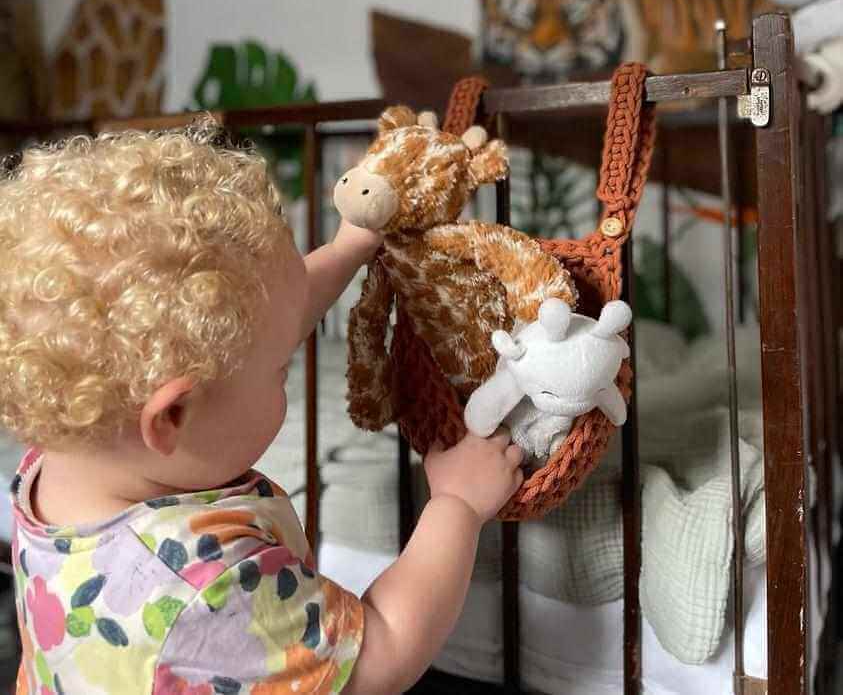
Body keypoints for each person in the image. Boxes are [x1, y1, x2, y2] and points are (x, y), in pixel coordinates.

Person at [0, 119, 524, 694]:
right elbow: (382, 651)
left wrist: (351, 246)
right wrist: (456, 505)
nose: (288, 363)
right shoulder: (209, 586)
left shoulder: (67, 451)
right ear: (171, 416)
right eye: (281, 369)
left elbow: (275, 316)